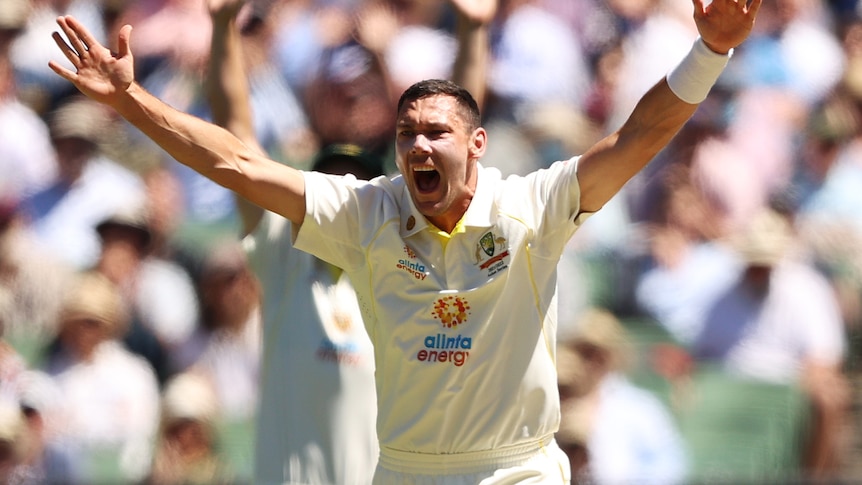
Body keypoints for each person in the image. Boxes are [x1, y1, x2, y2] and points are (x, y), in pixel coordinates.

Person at [48, 0, 761, 481]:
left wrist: (710, 49)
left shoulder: (531, 206)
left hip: (516, 469)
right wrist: (130, 102)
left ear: (478, 145)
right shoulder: (367, 212)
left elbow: (637, 136)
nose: (418, 144)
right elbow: (237, 161)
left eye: (436, 132)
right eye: (406, 134)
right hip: (408, 469)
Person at [206, 1, 493, 483]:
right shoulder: (282, 248)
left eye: (353, 188)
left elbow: (457, 151)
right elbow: (236, 133)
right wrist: (220, 29)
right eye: (327, 185)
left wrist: (472, 30)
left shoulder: (403, 261)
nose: (338, 200)